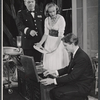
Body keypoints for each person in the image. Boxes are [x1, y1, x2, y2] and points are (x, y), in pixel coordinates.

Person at [40, 33, 94, 100]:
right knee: (53, 90)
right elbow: (68, 68)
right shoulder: (75, 53)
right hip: (77, 82)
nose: (64, 48)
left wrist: (53, 80)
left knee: (56, 92)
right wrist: (54, 71)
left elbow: (72, 76)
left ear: (72, 44)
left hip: (83, 87)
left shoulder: (81, 57)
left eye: (65, 46)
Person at [35, 2, 69, 70]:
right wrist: (40, 43)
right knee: (49, 62)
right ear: (47, 12)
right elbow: (46, 34)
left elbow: (60, 35)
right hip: (49, 42)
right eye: (50, 12)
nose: (52, 13)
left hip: (58, 42)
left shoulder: (61, 19)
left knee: (57, 62)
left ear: (56, 10)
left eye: (54, 11)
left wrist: (55, 47)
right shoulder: (46, 20)